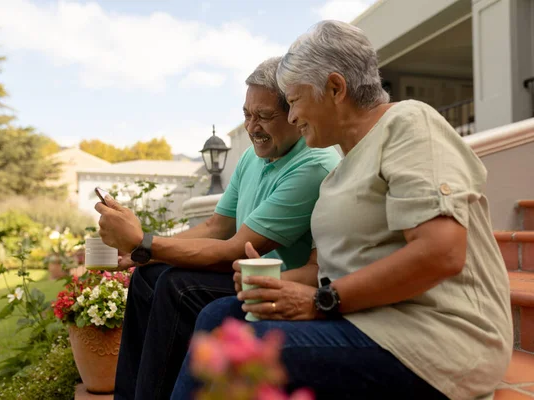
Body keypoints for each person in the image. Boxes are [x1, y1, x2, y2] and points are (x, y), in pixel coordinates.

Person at [172, 20, 513, 400]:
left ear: (335, 88)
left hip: (435, 340)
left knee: (233, 352)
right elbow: (326, 270)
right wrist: (280, 286)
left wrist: (320, 301)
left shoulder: (409, 124)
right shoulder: (340, 171)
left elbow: (442, 251)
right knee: (218, 316)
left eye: (295, 100)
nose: (292, 116)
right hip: (367, 320)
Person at [94, 56, 341, 400]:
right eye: (247, 114)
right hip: (239, 273)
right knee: (148, 277)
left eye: (264, 116)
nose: (253, 126)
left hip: (275, 282)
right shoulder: (252, 157)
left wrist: (144, 243)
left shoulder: (313, 164)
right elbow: (215, 226)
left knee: (177, 287)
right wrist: (144, 252)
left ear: (294, 113)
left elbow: (235, 248)